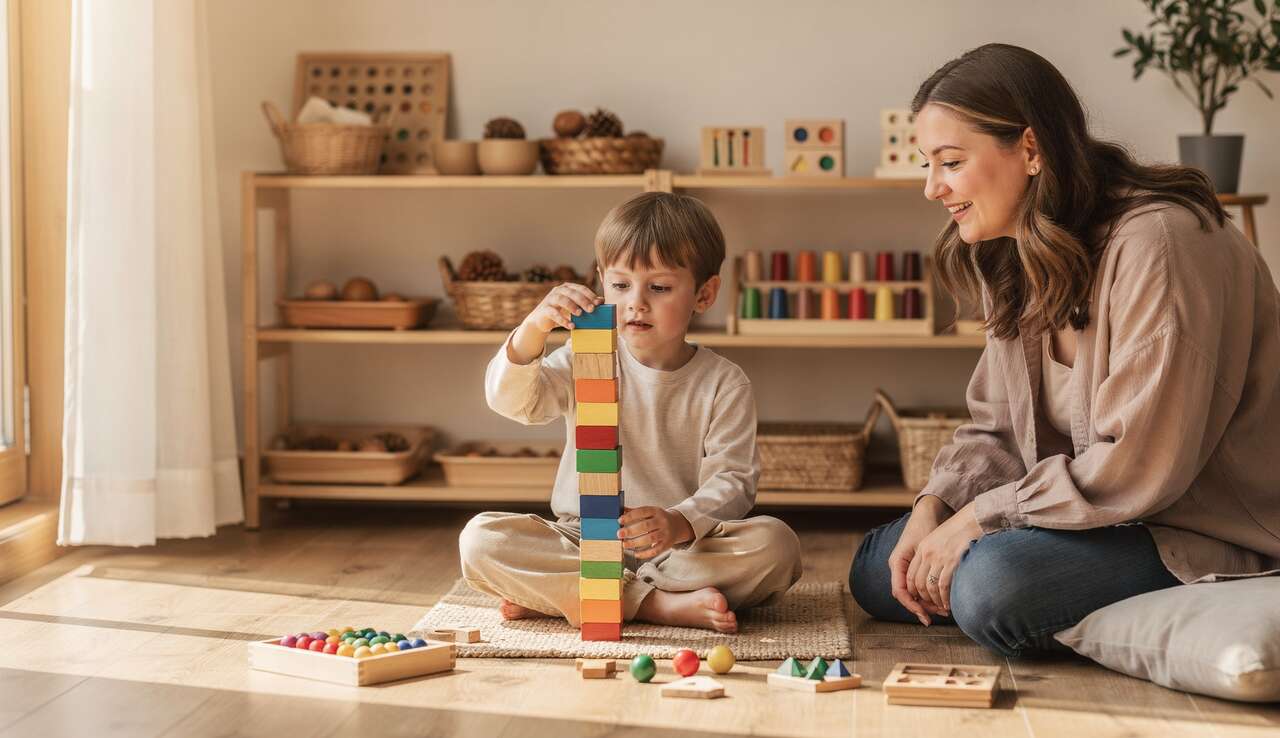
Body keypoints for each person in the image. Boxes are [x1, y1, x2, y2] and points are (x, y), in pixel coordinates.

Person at [849, 43, 1280, 658]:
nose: (931, 188)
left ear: (1030, 149)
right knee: (878, 567)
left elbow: (1140, 464)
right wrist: (935, 507)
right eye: (928, 165)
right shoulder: (1018, 245)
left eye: (950, 162)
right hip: (1095, 517)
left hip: (1195, 526)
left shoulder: (1161, 243)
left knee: (989, 586)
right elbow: (996, 427)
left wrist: (978, 521)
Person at [459, 191, 802, 634]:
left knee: (777, 545)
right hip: (582, 538)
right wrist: (533, 328)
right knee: (481, 540)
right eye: (620, 286)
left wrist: (680, 521)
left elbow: (733, 481)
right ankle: (654, 605)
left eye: (659, 288)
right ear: (602, 281)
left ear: (704, 294)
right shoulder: (585, 356)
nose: (636, 302)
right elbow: (514, 403)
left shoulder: (724, 382)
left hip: (680, 550)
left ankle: (574, 596)